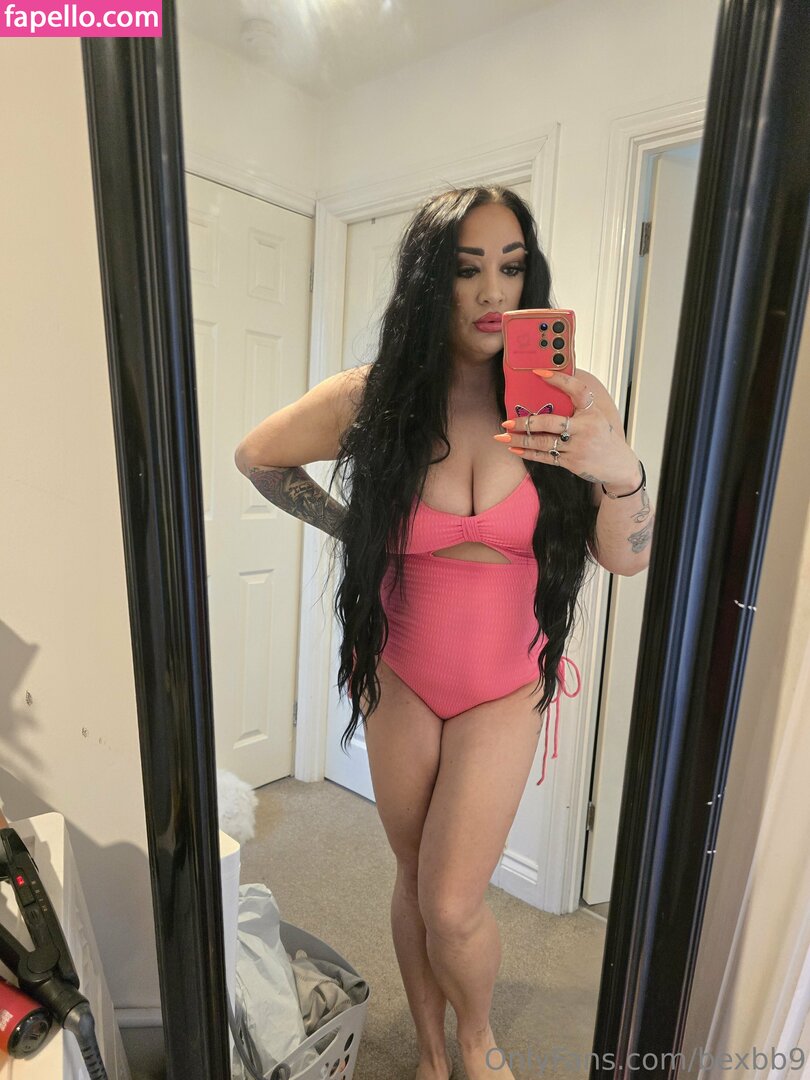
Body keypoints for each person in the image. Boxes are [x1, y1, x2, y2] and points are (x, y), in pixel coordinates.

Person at [235, 186, 655, 1080]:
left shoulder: (569, 398)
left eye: (511, 266)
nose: (493, 291)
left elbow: (626, 559)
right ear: (432, 281)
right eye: (467, 270)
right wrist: (356, 527)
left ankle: (475, 1037)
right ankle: (430, 1049)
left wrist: (621, 471)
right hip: (400, 671)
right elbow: (258, 455)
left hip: (505, 681)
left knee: (453, 902)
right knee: (413, 873)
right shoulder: (376, 398)